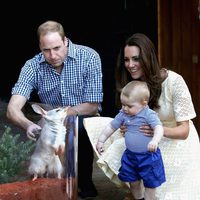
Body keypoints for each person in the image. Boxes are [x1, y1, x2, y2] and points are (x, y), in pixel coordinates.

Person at [83, 33, 200, 199]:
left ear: (148, 57)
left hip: (175, 139)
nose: (130, 65)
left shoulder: (174, 81)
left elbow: (184, 131)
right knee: (103, 130)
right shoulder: (131, 84)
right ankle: (136, 191)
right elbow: (127, 117)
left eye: (136, 59)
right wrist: (127, 126)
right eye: (126, 60)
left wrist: (155, 131)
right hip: (144, 136)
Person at [6, 20, 103, 199]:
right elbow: (12, 109)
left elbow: (93, 104)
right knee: (42, 135)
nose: (52, 55)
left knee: (76, 127)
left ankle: (82, 183)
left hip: (83, 116)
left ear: (65, 40)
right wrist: (28, 125)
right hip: (51, 119)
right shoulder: (32, 65)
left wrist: (62, 116)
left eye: (57, 48)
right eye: (46, 50)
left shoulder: (89, 56)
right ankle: (50, 186)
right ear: (40, 47)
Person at [96, 80, 165, 200]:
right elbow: (111, 126)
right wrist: (101, 140)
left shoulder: (149, 115)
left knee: (150, 185)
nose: (125, 108)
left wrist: (155, 140)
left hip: (148, 157)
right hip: (131, 156)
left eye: (129, 106)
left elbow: (158, 128)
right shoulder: (123, 114)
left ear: (144, 103)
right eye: (123, 104)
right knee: (133, 182)